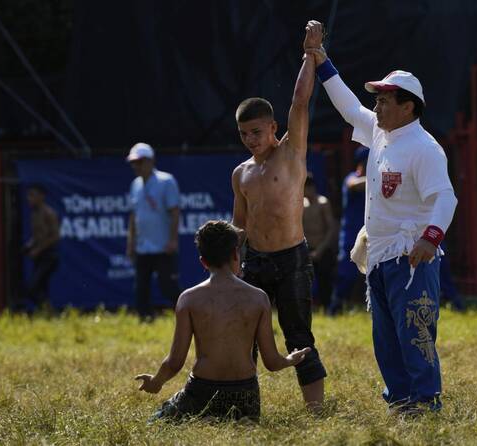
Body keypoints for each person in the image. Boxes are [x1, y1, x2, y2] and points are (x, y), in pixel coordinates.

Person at [305, 28, 458, 415]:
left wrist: (430, 238)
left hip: (411, 256)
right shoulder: (379, 131)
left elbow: (445, 197)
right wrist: (322, 61)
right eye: (378, 100)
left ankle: (426, 400)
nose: (378, 107)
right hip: (379, 254)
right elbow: (348, 107)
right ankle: (401, 399)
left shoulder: (424, 148)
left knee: (415, 330)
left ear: (409, 107)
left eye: (386, 100)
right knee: (386, 337)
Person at [231, 21, 327, 410]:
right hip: (254, 262)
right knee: (245, 337)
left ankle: (316, 411)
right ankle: (243, 406)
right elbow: (239, 224)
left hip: (292, 259)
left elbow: (300, 102)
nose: (250, 140)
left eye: (256, 132)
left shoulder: (291, 153)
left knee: (298, 334)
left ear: (273, 127)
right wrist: (229, 263)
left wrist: (310, 55)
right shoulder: (240, 173)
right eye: (243, 134)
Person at [135, 220, 310, 422]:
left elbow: (174, 362)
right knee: (239, 417)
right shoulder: (259, 298)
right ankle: (237, 420)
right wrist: (290, 359)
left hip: (202, 390)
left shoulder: (189, 299)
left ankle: (207, 419)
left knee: (155, 422)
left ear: (203, 262)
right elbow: (271, 362)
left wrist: (156, 382)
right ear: (236, 254)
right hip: (245, 394)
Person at [126, 142, 180, 321]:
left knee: (168, 287)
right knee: (140, 287)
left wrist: (173, 240)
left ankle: (187, 313)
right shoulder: (135, 185)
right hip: (143, 247)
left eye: (140, 162)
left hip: (163, 246)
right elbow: (134, 216)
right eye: (133, 162)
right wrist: (131, 243)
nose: (136, 166)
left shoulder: (166, 181)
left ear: (150, 161)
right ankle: (145, 319)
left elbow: (174, 212)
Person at [328, 146, 368, 316]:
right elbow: (353, 185)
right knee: (346, 273)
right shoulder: (352, 178)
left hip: (370, 233)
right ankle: (335, 307)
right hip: (351, 234)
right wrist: (379, 178)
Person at [21, 184, 60, 311]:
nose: (29, 199)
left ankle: (48, 311)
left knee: (33, 288)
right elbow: (37, 236)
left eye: (33, 195)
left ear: (41, 196)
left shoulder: (49, 213)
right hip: (40, 256)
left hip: (49, 256)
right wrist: (29, 246)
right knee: (41, 288)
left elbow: (55, 237)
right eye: (28, 195)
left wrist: (38, 249)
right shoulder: (34, 214)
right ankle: (46, 313)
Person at [302, 172, 338, 309]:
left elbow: (331, 228)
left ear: (312, 187)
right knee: (305, 281)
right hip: (307, 249)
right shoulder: (301, 204)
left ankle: (328, 307)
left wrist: (320, 250)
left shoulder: (323, 203)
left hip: (322, 248)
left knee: (325, 280)